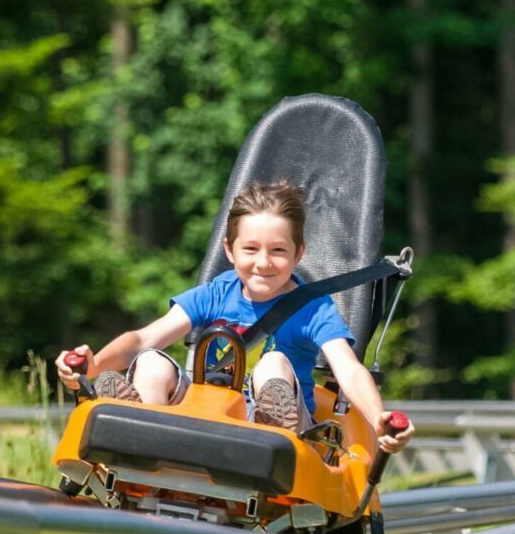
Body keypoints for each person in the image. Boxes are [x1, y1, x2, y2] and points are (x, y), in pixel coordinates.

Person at [54, 180, 414, 454]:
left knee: (272, 362)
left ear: (298, 253)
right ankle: (145, 444)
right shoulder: (216, 293)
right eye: (250, 249)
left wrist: (378, 418)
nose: (263, 262)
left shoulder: (313, 308)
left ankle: (270, 432)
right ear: (229, 250)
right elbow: (143, 340)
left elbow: (348, 368)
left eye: (278, 251)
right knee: (150, 362)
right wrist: (95, 364)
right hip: (202, 415)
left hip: (281, 435)